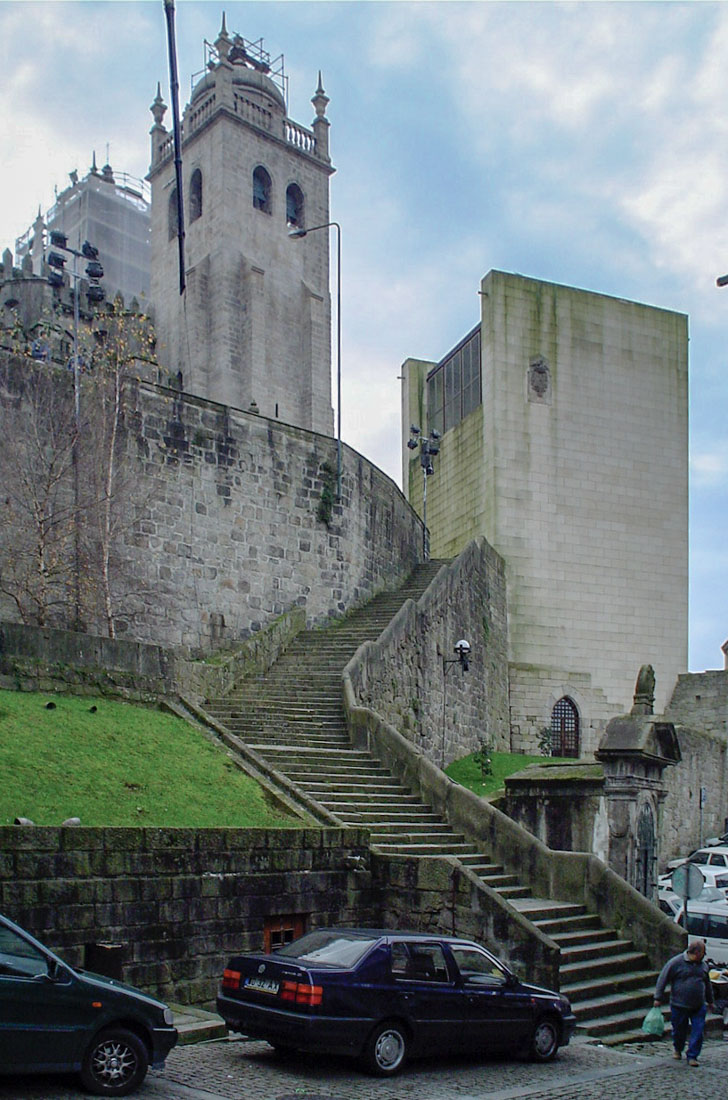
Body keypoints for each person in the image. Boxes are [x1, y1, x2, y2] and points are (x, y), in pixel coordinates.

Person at [654, 938, 714, 1066]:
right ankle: (678, 1048)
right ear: (696, 953)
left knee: (698, 1030)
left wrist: (710, 1001)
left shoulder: (703, 966)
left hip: (698, 1005)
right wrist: (658, 997)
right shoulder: (676, 963)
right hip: (679, 1004)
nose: (704, 956)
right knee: (679, 1030)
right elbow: (663, 979)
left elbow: (707, 984)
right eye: (703, 953)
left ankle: (692, 1055)